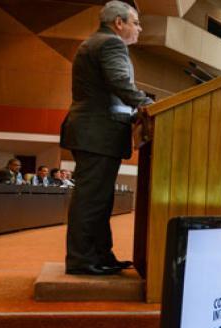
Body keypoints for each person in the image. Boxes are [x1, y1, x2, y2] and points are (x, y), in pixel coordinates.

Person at [60, 1, 152, 275]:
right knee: (92, 199)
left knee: (99, 199)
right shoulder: (111, 44)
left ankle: (100, 255)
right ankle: (82, 260)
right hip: (97, 132)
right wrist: (147, 104)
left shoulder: (98, 42)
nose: (139, 28)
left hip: (94, 132)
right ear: (119, 23)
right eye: (135, 22)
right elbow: (120, 82)